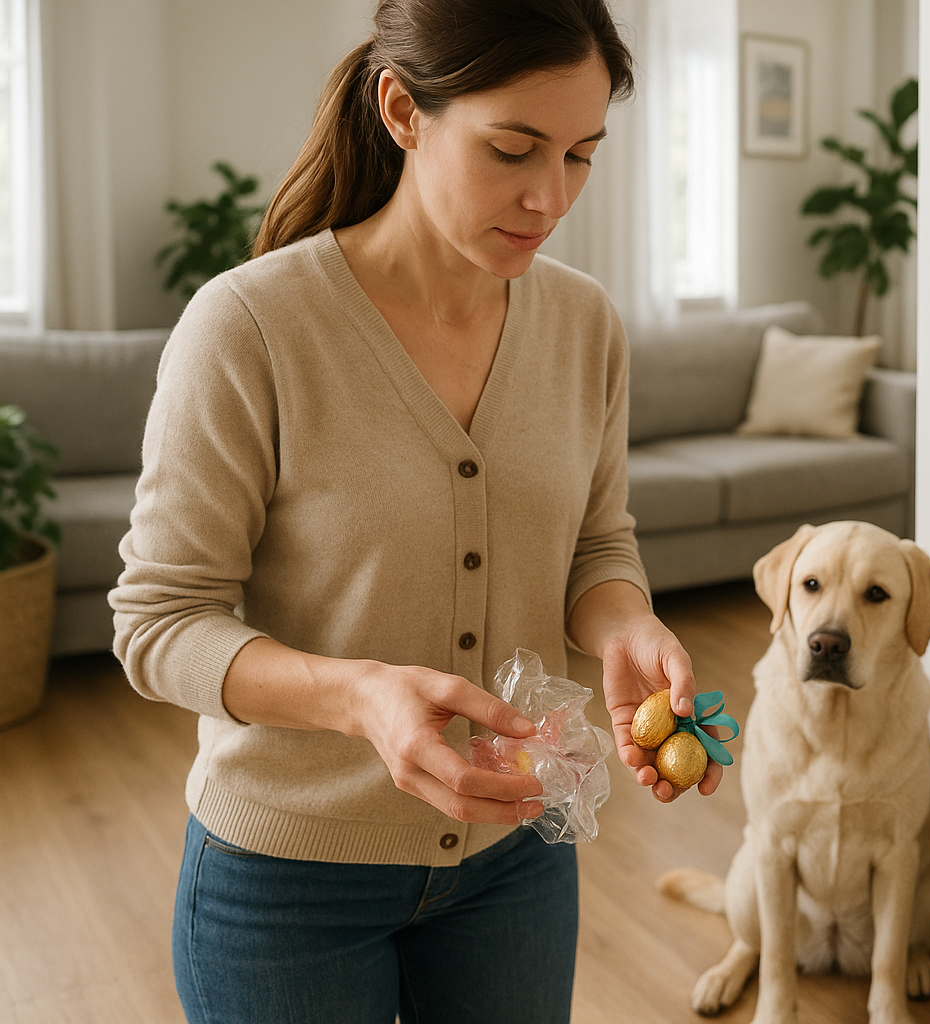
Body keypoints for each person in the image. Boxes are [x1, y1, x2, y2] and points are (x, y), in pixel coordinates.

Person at [109, 2, 716, 1021]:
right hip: (287, 879)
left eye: (580, 155)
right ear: (402, 109)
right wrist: (361, 698)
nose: (549, 196)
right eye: (513, 149)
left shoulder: (584, 326)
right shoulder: (250, 327)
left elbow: (599, 541)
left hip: (518, 857)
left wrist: (627, 623)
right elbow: (158, 622)